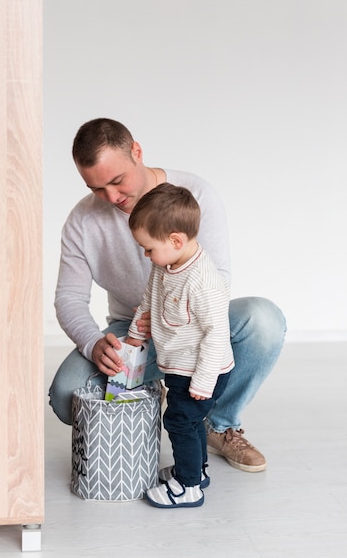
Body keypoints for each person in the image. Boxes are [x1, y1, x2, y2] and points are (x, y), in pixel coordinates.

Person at [49, 117, 286, 474]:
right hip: (133, 329)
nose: (112, 198)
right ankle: (155, 391)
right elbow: (69, 297)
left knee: (264, 321)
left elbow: (218, 281)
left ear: (137, 152)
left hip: (193, 325)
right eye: (97, 188)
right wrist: (93, 342)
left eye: (117, 181)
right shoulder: (82, 221)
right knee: (67, 395)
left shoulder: (194, 194)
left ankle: (217, 423)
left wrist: (174, 319)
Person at [124, 182, 234, 508]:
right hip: (179, 365)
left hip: (201, 371)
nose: (146, 256)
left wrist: (203, 380)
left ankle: (188, 487)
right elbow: (147, 301)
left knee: (178, 421)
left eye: (148, 248)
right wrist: (134, 335)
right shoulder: (164, 265)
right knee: (190, 421)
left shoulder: (203, 280)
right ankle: (196, 469)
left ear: (175, 240)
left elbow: (216, 333)